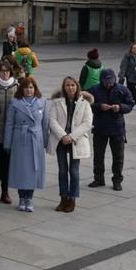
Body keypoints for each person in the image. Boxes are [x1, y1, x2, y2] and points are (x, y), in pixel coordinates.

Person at [48, 77, 93, 212]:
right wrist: (63, 136)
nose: (70, 88)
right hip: (61, 140)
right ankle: (63, 198)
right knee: (62, 171)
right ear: (64, 87)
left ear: (77, 86)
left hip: (76, 141)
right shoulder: (57, 103)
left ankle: (72, 198)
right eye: (67, 85)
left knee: (74, 171)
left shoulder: (84, 103)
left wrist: (72, 137)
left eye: (73, 85)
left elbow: (87, 123)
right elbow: (52, 121)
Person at [4, 76, 48, 212]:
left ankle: (29, 198)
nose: (28, 90)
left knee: (33, 170)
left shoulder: (42, 102)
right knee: (21, 169)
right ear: (21, 89)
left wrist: (45, 142)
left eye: (31, 87)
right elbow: (9, 123)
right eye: (26, 87)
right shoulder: (15, 102)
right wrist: (7, 142)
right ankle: (21, 197)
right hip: (19, 139)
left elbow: (45, 124)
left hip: (35, 139)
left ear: (35, 89)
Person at [89, 68, 133, 191]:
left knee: (118, 157)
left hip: (117, 128)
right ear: (101, 80)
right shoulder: (94, 90)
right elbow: (86, 104)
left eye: (111, 81)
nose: (108, 83)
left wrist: (119, 107)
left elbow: (130, 104)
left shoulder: (122, 89)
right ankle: (98, 179)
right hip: (100, 127)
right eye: (106, 81)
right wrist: (99, 106)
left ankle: (117, 180)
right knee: (98, 155)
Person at [0, 62, 18, 205]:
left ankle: (5, 192)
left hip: (10, 132)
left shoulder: (16, 86)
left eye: (7, 71)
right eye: (2, 71)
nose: (5, 74)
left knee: (7, 164)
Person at [118, 43, 136, 111]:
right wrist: (122, 76)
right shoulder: (127, 56)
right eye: (133, 48)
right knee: (133, 90)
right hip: (129, 76)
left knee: (130, 90)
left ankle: (125, 102)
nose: (135, 49)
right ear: (131, 49)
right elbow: (123, 66)